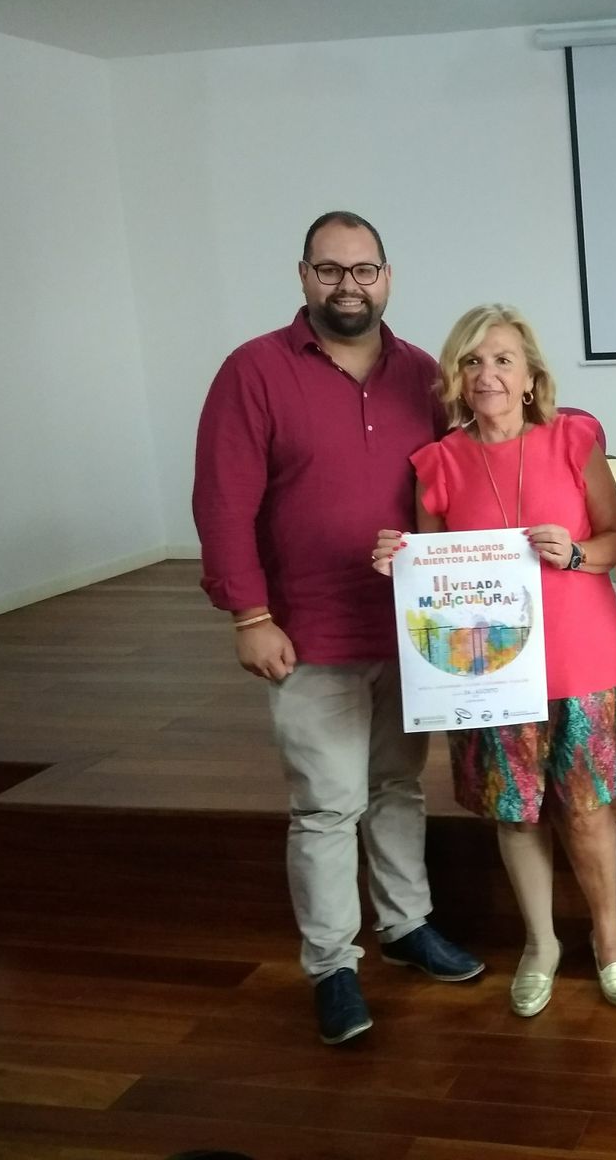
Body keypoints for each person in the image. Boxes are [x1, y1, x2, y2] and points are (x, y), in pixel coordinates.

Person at [193, 211, 484, 1047]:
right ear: (303, 276)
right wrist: (249, 615)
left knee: (398, 787)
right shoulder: (254, 371)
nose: (347, 285)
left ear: (388, 277)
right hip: (306, 631)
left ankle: (406, 926)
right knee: (326, 805)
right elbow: (222, 501)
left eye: (363, 270)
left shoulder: (426, 375)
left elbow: (456, 493)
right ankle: (331, 964)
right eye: (330, 270)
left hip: (408, 633)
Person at [374, 304, 616, 1017]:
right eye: (472, 361)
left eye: (502, 360)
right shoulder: (437, 463)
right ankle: (541, 942)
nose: (486, 374)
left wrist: (579, 554)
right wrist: (396, 563)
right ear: (456, 377)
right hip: (488, 671)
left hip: (582, 657)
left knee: (584, 810)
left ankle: (609, 938)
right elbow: (429, 580)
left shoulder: (573, 438)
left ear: (530, 378)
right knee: (515, 812)